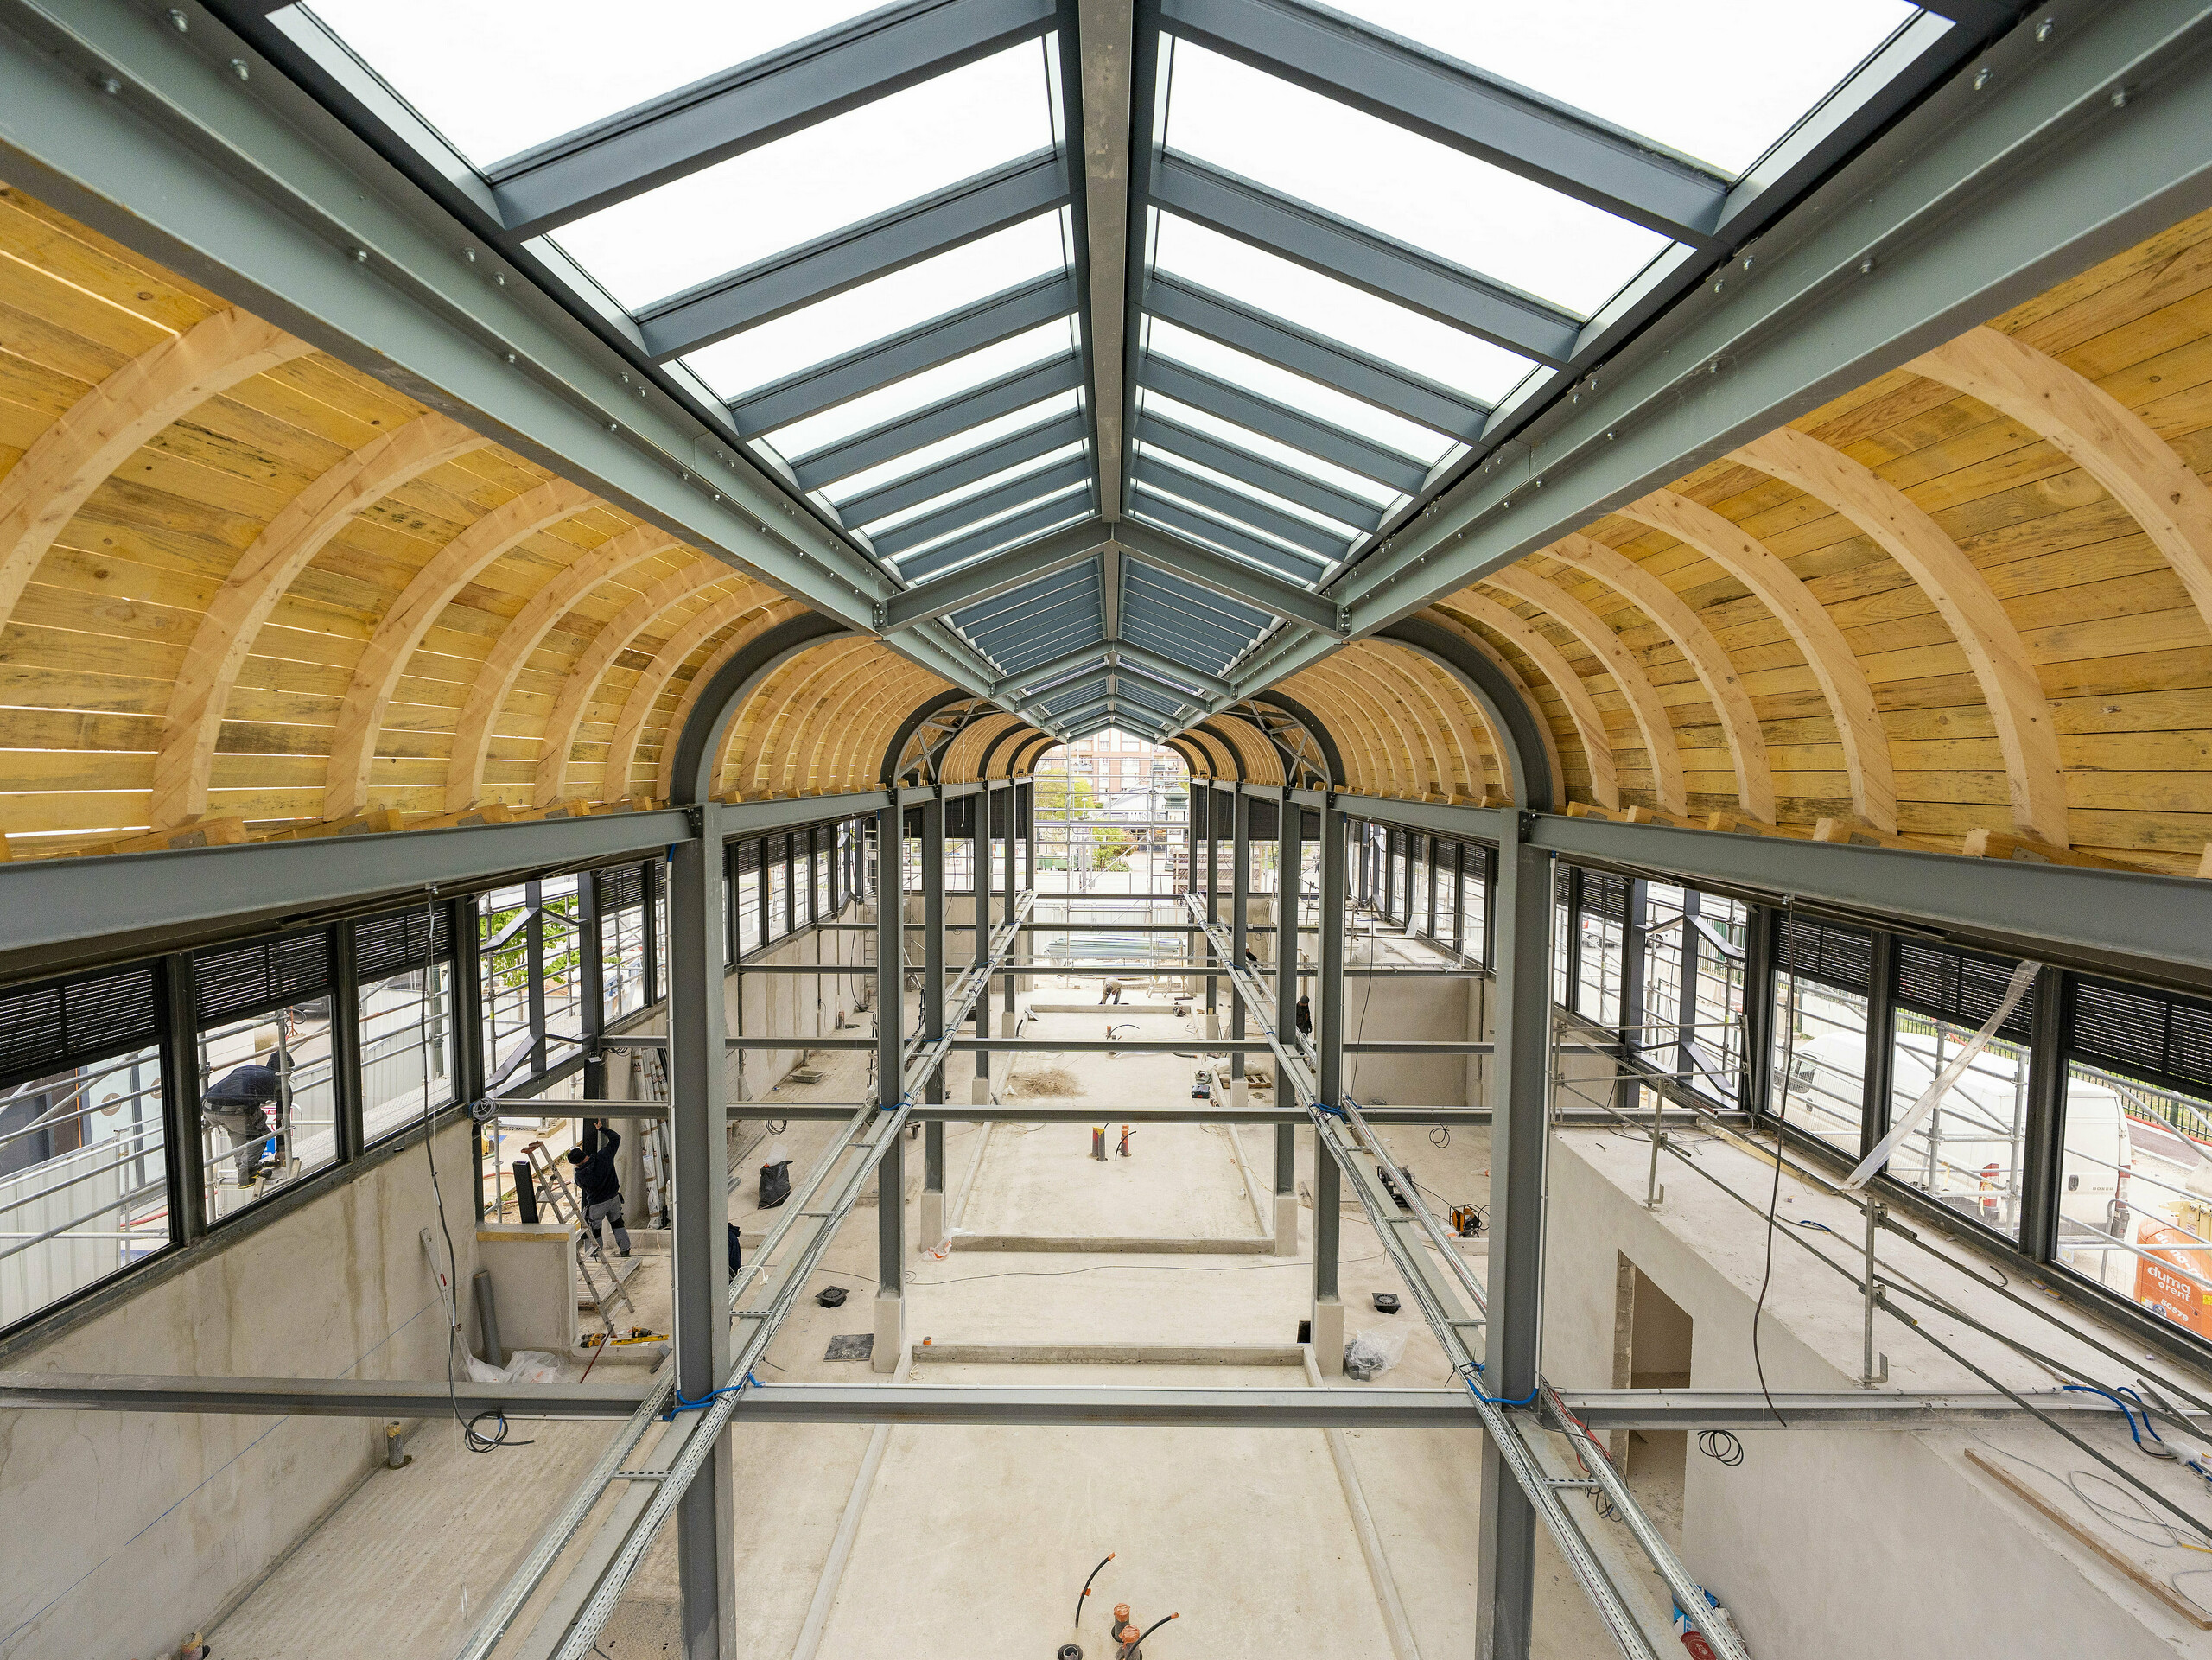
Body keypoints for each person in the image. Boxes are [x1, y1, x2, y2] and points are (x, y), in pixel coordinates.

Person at [202, 1027, 285, 1185]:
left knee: (236, 1130)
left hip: (208, 1106)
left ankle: (243, 1166)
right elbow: (282, 1119)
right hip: (234, 1108)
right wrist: (282, 1149)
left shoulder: (247, 1069)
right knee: (260, 1134)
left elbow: (217, 1087)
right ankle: (247, 1173)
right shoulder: (280, 1082)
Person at [566, 1119, 629, 1256]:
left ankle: (597, 1254)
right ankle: (625, 1250)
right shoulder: (604, 1156)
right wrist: (601, 1129)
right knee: (618, 1224)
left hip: (597, 1205)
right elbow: (616, 1138)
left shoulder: (580, 1176)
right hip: (614, 1198)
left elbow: (582, 1186)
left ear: (575, 1164)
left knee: (595, 1230)